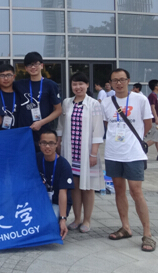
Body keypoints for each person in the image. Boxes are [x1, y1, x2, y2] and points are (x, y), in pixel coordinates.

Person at [102, 68, 156, 252]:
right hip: (113, 152)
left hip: (133, 153)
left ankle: (147, 234)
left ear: (128, 81)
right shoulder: (106, 102)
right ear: (110, 83)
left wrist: (134, 139)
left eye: (122, 79)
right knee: (119, 190)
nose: (118, 83)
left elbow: (148, 124)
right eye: (115, 80)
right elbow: (107, 125)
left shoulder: (140, 99)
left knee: (136, 191)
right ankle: (125, 227)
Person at [57, 72, 104, 233]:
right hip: (70, 152)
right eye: (75, 84)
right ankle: (77, 219)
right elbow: (61, 125)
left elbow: (98, 130)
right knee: (74, 186)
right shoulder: (67, 102)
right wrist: (58, 143)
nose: (78, 87)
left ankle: (87, 220)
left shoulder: (94, 104)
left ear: (87, 85)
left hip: (87, 152)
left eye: (81, 84)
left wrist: (93, 153)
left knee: (88, 187)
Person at [13, 52, 62, 152]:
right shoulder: (20, 84)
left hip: (44, 132)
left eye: (36, 64)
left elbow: (58, 110)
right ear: (26, 68)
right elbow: (3, 85)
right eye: (29, 65)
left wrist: (41, 122)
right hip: (25, 132)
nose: (33, 67)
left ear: (42, 65)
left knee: (42, 159)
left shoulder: (50, 85)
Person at [36, 129, 73, 241]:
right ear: (39, 144)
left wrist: (63, 219)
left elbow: (63, 193)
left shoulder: (64, 165)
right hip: (40, 201)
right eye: (44, 143)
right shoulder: (36, 159)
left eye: (51, 143)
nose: (47, 146)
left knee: (49, 221)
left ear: (57, 144)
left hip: (57, 202)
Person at [0, 63, 19, 130]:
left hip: (17, 133)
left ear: (14, 76)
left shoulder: (20, 94)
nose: (5, 78)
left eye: (9, 75)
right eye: (2, 76)